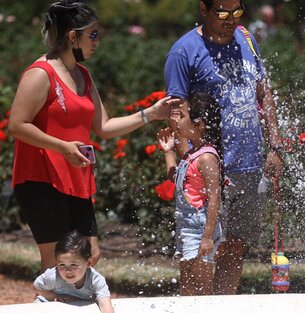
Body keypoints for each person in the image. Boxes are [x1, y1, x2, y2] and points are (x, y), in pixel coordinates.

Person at [7, 0, 177, 274]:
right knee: (57, 264)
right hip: (42, 178)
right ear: (73, 36)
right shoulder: (41, 73)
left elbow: (105, 126)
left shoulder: (82, 74)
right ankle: (47, 303)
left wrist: (151, 113)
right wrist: (61, 146)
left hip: (76, 178)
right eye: (93, 35)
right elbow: (16, 124)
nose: (97, 42)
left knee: (90, 254)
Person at [164, 0, 283, 294]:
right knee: (199, 253)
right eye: (222, 13)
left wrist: (275, 147)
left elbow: (263, 92)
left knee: (233, 248)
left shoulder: (246, 39)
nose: (230, 20)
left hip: (248, 164)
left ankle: (225, 304)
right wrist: (186, 157)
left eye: (237, 12)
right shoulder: (185, 51)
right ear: (204, 9)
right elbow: (176, 110)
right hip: (208, 169)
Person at [157, 92, 223, 295]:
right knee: (187, 286)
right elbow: (175, 178)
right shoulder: (192, 154)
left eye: (182, 116)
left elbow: (214, 199)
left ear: (199, 123)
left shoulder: (207, 158)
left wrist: (208, 237)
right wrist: (168, 150)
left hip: (200, 227)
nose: (178, 121)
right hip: (187, 227)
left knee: (202, 286)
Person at [34, 230, 114, 313]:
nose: (68, 270)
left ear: (89, 262)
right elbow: (37, 288)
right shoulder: (53, 276)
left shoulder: (95, 280)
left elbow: (106, 305)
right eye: (62, 265)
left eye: (73, 265)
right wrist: (56, 296)